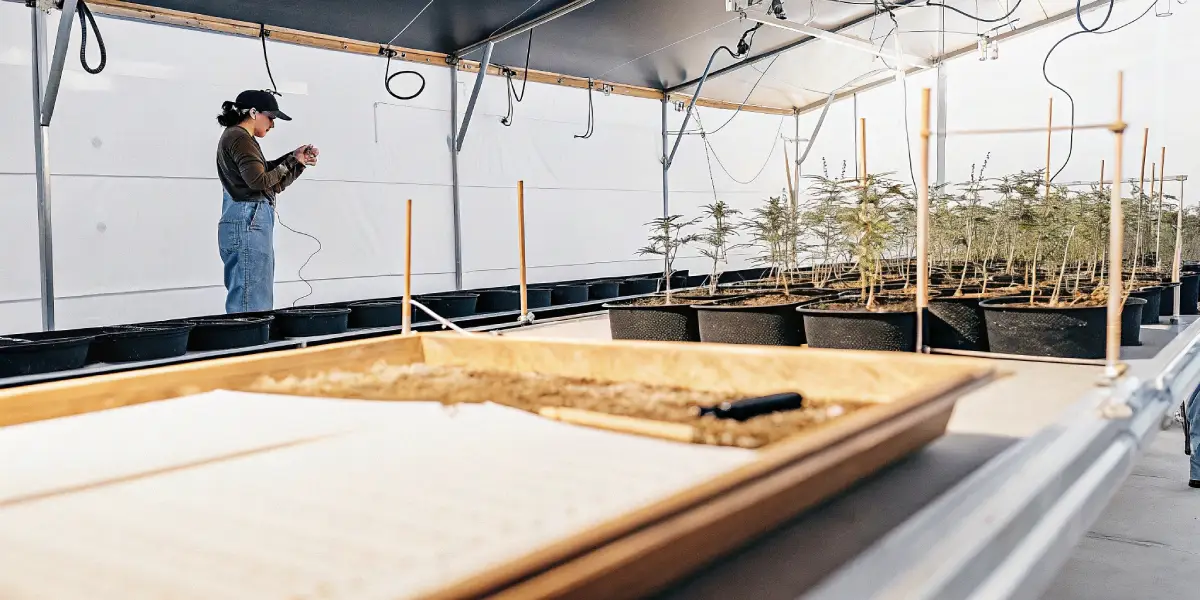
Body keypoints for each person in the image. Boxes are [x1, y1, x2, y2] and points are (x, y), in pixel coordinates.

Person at [215, 90, 319, 313]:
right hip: (249, 219)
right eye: (270, 117)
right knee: (251, 301)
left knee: (253, 294)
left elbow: (270, 182)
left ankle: (250, 334)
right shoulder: (239, 137)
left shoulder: (239, 137)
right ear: (253, 112)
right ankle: (251, 337)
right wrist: (290, 161)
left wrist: (296, 160)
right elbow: (259, 181)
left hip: (247, 217)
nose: (272, 124)